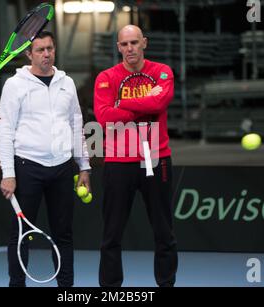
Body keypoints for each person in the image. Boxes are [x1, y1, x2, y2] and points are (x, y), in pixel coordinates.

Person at [0, 31, 91, 287]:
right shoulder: (15, 85)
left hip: (62, 169)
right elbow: (4, 131)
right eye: (40, 50)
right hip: (27, 167)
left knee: (64, 235)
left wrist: (84, 166)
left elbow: (76, 125)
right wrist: (8, 173)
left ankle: (66, 289)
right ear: (29, 54)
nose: (47, 54)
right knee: (21, 235)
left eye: (50, 48)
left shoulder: (67, 83)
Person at [93, 25, 178, 287]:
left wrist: (122, 104)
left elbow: (159, 104)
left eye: (134, 43)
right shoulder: (106, 77)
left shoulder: (162, 71)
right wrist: (143, 106)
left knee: (164, 233)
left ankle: (165, 284)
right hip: (118, 161)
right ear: (118, 47)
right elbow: (104, 117)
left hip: (156, 158)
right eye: (124, 44)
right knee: (111, 235)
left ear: (144, 43)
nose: (130, 48)